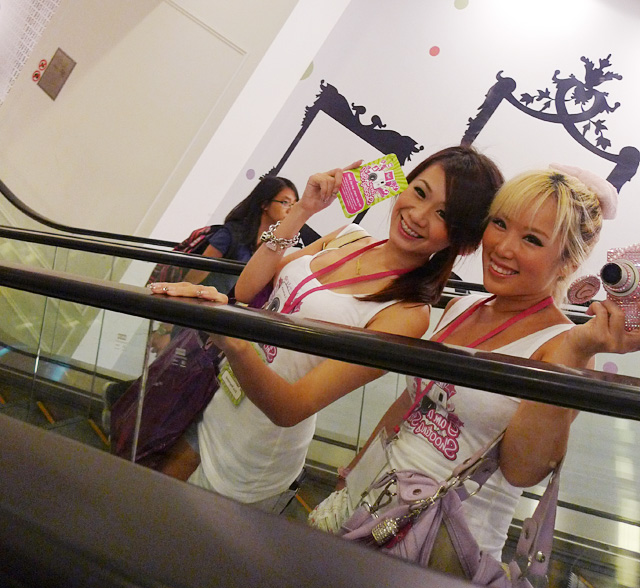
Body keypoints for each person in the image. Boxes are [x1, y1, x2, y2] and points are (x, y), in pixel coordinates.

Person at [149, 145, 504, 512]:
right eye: (419, 192)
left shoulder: (407, 313)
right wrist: (303, 209)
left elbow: (291, 408)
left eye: (443, 214)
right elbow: (248, 288)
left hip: (255, 449)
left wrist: (234, 341)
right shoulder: (350, 236)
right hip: (215, 399)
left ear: (460, 240)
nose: (418, 215)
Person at [318, 164, 640, 561]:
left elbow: (522, 471)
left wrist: (577, 349)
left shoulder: (561, 345)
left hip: (445, 546)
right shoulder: (462, 307)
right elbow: (411, 404)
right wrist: (352, 475)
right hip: (372, 510)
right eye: (500, 223)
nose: (503, 247)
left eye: (532, 239)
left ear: (569, 263)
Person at [149, 176, 299, 353]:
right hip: (192, 317)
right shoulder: (230, 234)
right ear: (264, 204)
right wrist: (165, 328)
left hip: (219, 324)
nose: (291, 210)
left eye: (294, 204)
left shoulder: (269, 248)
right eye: (285, 202)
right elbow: (192, 280)